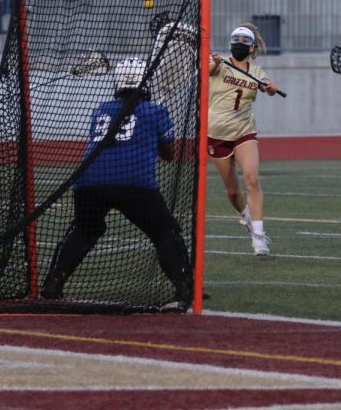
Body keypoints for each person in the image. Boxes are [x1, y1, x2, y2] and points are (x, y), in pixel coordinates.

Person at [40, 58, 193, 310]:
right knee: (165, 231)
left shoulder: (101, 109)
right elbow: (168, 154)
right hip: (134, 182)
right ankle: (184, 286)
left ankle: (54, 282)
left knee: (84, 231)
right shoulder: (155, 110)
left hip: (89, 180)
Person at [208, 24, 279, 256]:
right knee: (232, 192)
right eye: (234, 39)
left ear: (251, 47)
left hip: (244, 130)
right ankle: (245, 215)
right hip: (216, 133)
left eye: (243, 40)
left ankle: (258, 237)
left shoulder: (256, 70)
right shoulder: (220, 64)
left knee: (252, 177)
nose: (238, 43)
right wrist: (216, 62)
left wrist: (269, 87)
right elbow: (208, 70)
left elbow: (266, 86)